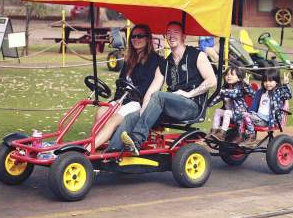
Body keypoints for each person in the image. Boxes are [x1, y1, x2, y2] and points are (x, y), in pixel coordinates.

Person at [107, 21, 217, 155]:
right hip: (170, 106)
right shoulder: (165, 63)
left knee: (159, 96)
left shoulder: (197, 55)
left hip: (192, 106)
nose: (171, 36)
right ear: (165, 37)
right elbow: (151, 91)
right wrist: (143, 111)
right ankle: (111, 153)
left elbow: (212, 81)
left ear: (184, 36)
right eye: (168, 33)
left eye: (175, 32)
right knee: (131, 116)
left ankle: (136, 139)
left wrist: (189, 94)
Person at [86, 24, 161, 152]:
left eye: (140, 36)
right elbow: (121, 83)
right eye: (133, 36)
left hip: (138, 102)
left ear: (148, 39)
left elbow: (145, 88)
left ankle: (87, 150)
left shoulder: (154, 60)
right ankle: (92, 143)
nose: (135, 39)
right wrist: (115, 102)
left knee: (113, 120)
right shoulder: (130, 59)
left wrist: (121, 103)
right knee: (101, 112)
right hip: (122, 99)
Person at [239, 70, 292, 148]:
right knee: (239, 114)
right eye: (265, 81)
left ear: (276, 82)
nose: (268, 83)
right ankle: (241, 136)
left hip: (267, 120)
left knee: (244, 115)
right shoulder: (261, 92)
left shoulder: (278, 92)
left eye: (270, 81)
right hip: (257, 117)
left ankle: (252, 138)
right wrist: (246, 84)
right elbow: (251, 93)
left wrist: (286, 84)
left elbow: (288, 95)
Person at [207, 66, 255, 142]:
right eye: (227, 74)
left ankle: (222, 134)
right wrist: (207, 104)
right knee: (217, 111)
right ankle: (214, 131)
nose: (229, 76)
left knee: (227, 112)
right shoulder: (225, 89)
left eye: (232, 74)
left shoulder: (239, 88)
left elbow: (233, 93)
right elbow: (217, 98)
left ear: (239, 78)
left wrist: (221, 91)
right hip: (230, 114)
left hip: (239, 113)